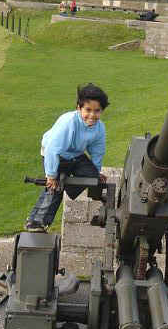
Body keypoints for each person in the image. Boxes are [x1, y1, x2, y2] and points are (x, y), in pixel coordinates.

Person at [25, 83, 109, 232]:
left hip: (75, 155)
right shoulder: (68, 122)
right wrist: (51, 176)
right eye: (88, 110)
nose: (92, 115)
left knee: (92, 177)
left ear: (102, 111)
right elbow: (52, 149)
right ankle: (35, 221)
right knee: (54, 187)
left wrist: (96, 171)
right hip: (55, 155)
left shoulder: (99, 128)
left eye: (97, 111)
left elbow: (97, 151)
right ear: (79, 108)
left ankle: (65, 185)